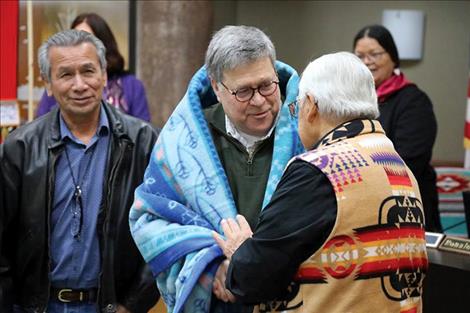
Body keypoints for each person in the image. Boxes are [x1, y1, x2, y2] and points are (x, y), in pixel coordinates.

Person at [213, 52, 428, 313]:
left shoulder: (319, 170)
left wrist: (240, 252)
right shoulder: (398, 166)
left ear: (311, 106)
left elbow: (253, 278)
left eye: (296, 108)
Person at [129, 25, 302, 313]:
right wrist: (212, 268)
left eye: (266, 85)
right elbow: (148, 219)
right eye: (243, 91)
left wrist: (254, 261)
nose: (259, 100)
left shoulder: (307, 129)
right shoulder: (183, 139)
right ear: (217, 87)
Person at [0, 29, 159, 312]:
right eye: (65, 75)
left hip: (109, 305)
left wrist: (133, 304)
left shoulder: (142, 142)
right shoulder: (20, 148)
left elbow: (163, 229)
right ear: (47, 84)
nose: (80, 84)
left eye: (88, 71)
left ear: (104, 76)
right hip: (38, 306)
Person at [353, 24, 442, 233]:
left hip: (406, 207)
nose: (367, 62)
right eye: (359, 56)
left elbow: (409, 160)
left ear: (393, 57)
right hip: (362, 205)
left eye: (375, 54)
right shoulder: (353, 102)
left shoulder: (413, 101)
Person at [36, 13, 151, 122]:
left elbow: (142, 132)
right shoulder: (58, 86)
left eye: (86, 39)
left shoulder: (131, 85)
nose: (79, 86)